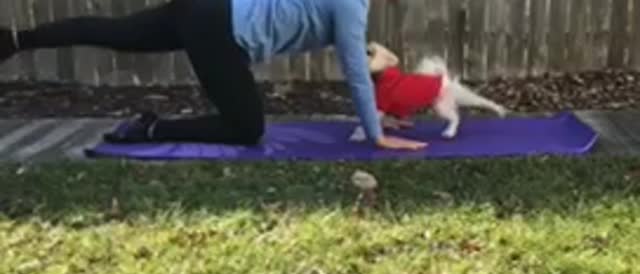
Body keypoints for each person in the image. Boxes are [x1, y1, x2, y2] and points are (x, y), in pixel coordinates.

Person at [0, 0, 427, 151]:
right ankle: (151, 129)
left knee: (116, 32)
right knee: (246, 128)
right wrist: (376, 135)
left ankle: (16, 40)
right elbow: (355, 68)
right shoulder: (350, 5)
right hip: (216, 26)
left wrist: (378, 106)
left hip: (204, 9)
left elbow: (357, 54)